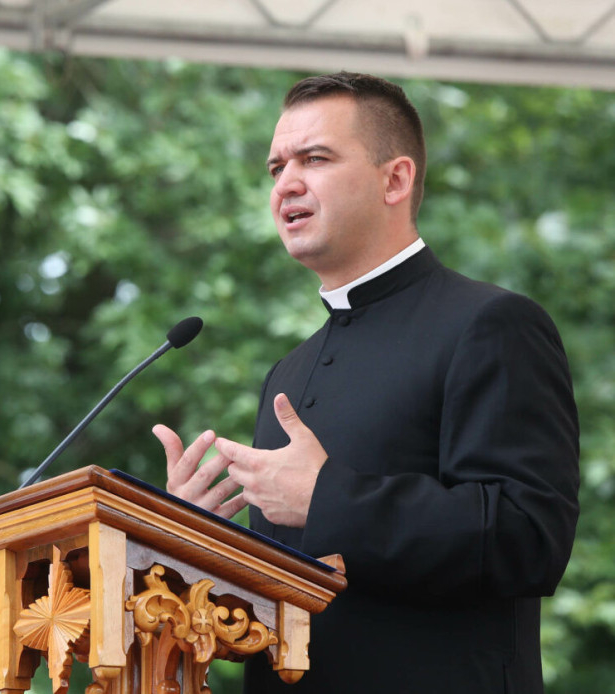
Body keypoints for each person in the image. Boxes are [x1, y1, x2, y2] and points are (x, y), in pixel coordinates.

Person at [152, 72, 580, 693]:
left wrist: (326, 498)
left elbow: (529, 537)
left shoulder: (491, 324)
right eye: (276, 168)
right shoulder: (287, 372)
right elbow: (276, 610)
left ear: (395, 180)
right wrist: (196, 544)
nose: (285, 183)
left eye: (315, 159)